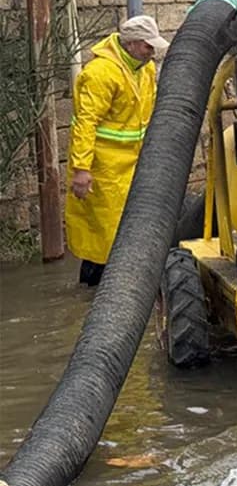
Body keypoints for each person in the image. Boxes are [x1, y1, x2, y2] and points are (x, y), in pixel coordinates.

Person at [66, 15, 168, 285]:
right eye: (148, 46)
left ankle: (119, 283)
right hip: (105, 167)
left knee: (128, 227)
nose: (152, 51)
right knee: (104, 233)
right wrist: (81, 169)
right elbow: (85, 123)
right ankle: (96, 287)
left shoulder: (143, 69)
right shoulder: (101, 74)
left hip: (134, 163)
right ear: (132, 44)